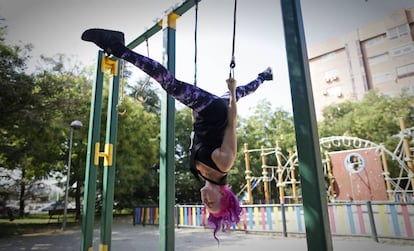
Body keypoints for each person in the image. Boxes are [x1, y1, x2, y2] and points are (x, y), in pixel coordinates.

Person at [81, 28, 273, 241]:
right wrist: (228, 89)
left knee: (240, 92)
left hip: (203, 113)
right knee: (170, 83)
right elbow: (231, 123)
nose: (205, 202)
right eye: (211, 203)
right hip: (215, 110)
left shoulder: (199, 173)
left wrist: (194, 111)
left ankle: (264, 76)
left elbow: (197, 136)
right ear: (224, 195)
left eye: (205, 206)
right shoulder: (224, 164)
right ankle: (116, 46)